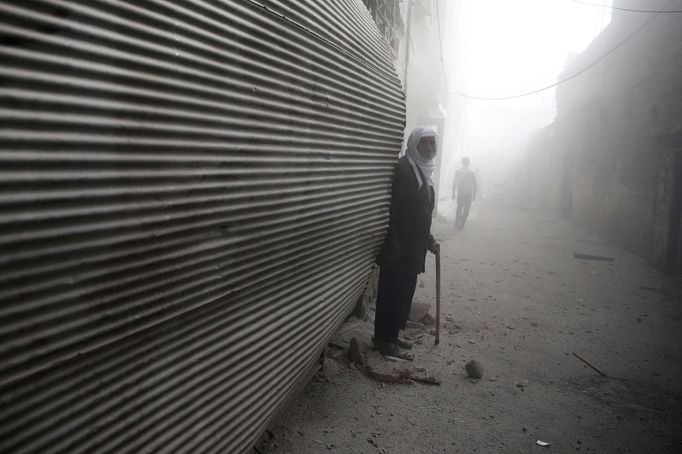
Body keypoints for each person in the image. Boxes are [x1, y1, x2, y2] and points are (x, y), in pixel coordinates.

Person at [373, 126, 440, 360]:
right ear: (414, 144)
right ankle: (384, 341)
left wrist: (429, 239)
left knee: (403, 295)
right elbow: (392, 212)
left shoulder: (422, 171)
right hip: (399, 249)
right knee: (392, 295)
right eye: (425, 143)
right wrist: (393, 247)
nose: (430, 148)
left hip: (413, 249)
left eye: (433, 143)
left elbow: (420, 212)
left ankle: (393, 335)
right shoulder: (404, 169)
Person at [452, 157, 477, 228]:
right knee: (466, 208)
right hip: (469, 193)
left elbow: (454, 182)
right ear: (469, 163)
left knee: (459, 207)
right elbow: (475, 184)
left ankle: (457, 220)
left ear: (462, 163)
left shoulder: (458, 171)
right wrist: (474, 194)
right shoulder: (471, 173)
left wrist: (453, 193)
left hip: (460, 192)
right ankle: (462, 223)